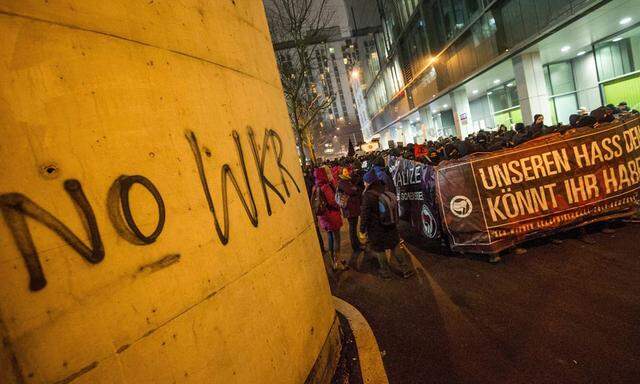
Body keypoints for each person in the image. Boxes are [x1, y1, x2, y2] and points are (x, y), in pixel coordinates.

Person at [359, 169, 414, 279]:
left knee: (380, 249)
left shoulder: (368, 195)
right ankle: (406, 270)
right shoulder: (384, 188)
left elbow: (365, 214)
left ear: (368, 182)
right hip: (390, 224)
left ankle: (385, 272)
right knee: (395, 245)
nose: (364, 184)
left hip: (376, 228)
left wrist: (362, 229)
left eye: (365, 182)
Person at [313, 167, 345, 270]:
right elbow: (333, 201)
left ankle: (333, 260)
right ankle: (338, 262)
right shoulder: (326, 187)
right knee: (337, 238)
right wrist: (340, 203)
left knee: (330, 237)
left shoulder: (315, 187)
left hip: (323, 217)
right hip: (332, 216)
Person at [336, 167, 363, 256]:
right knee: (352, 228)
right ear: (341, 173)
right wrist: (355, 189)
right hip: (349, 210)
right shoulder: (343, 182)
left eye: (347, 171)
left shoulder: (348, 181)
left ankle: (357, 243)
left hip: (353, 208)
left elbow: (355, 189)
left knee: (354, 227)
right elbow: (351, 191)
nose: (347, 173)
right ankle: (355, 246)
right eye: (344, 171)